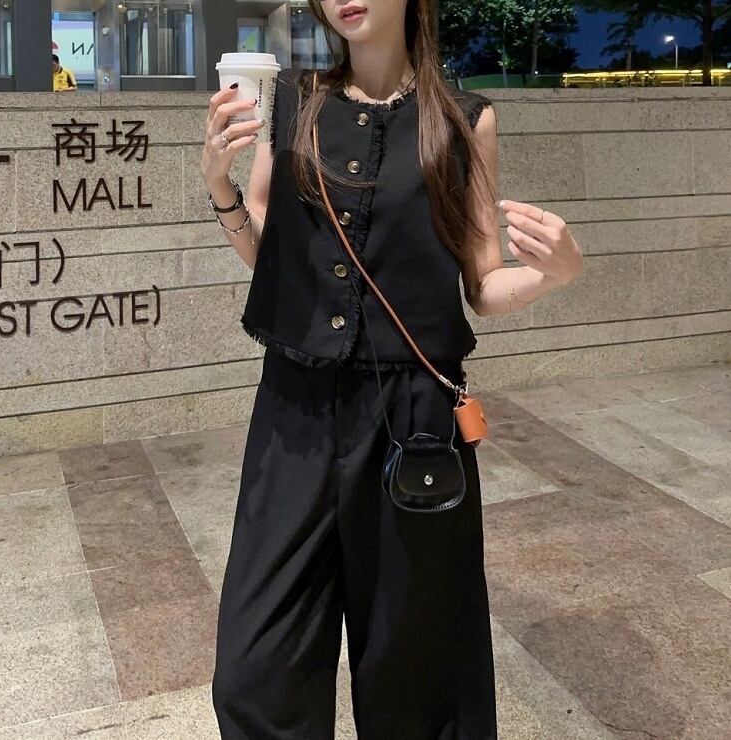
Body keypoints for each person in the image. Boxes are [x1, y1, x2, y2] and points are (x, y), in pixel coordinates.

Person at [202, 1, 583, 738]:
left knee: (418, 673)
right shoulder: (295, 102)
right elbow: (267, 248)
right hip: (294, 411)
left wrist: (552, 274)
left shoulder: (464, 121)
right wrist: (219, 184)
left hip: (415, 422)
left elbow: (483, 283)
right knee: (256, 670)